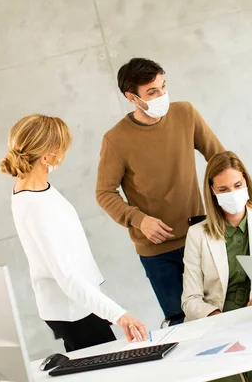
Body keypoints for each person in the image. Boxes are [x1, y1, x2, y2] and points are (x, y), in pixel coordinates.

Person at [0, 114, 147, 352]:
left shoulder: (36, 188)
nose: (64, 154)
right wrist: (120, 315)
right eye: (62, 147)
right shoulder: (34, 205)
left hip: (82, 304)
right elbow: (66, 276)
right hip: (72, 310)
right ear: (48, 154)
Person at [96, 58, 224, 327]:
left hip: (200, 237)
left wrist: (229, 204)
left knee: (220, 314)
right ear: (131, 97)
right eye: (152, 92)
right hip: (157, 252)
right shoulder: (116, 139)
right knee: (183, 324)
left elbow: (220, 160)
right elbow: (105, 192)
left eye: (163, 87)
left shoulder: (185, 113)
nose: (162, 96)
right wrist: (139, 220)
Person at [182, 151, 252, 382]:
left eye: (237, 185)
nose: (232, 193)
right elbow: (190, 300)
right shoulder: (197, 234)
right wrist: (218, 319)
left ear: (246, 183)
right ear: (212, 191)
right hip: (216, 325)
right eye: (223, 189)